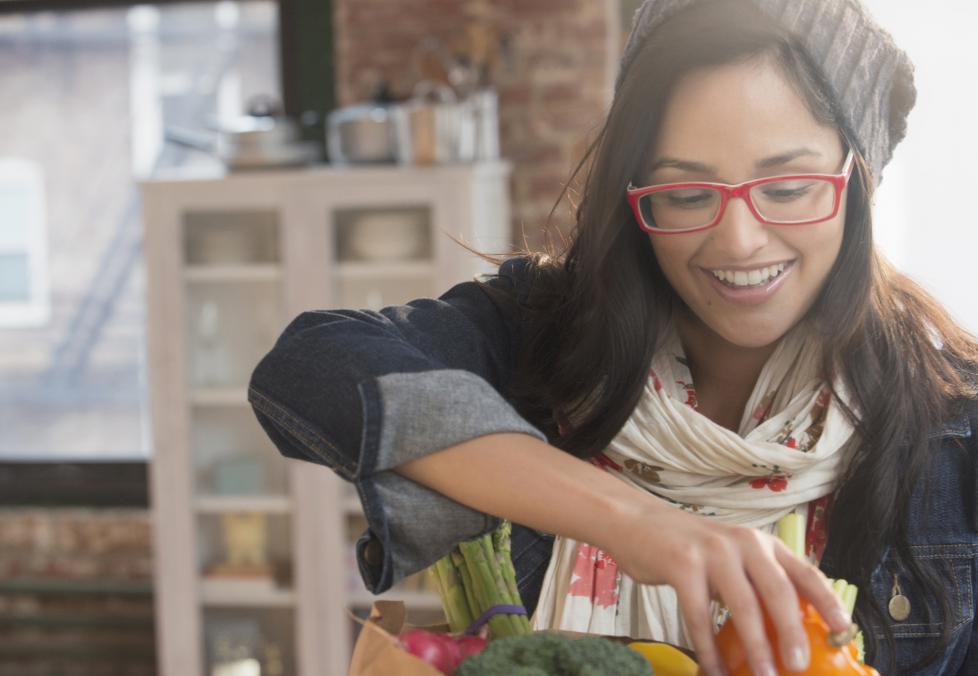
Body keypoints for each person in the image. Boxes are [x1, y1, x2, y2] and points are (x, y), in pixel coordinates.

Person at [248, 0, 978, 673]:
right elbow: (310, 365)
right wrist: (640, 525)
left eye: (787, 189)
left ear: (859, 183)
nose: (740, 239)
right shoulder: (537, 337)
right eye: (685, 193)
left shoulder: (956, 428)